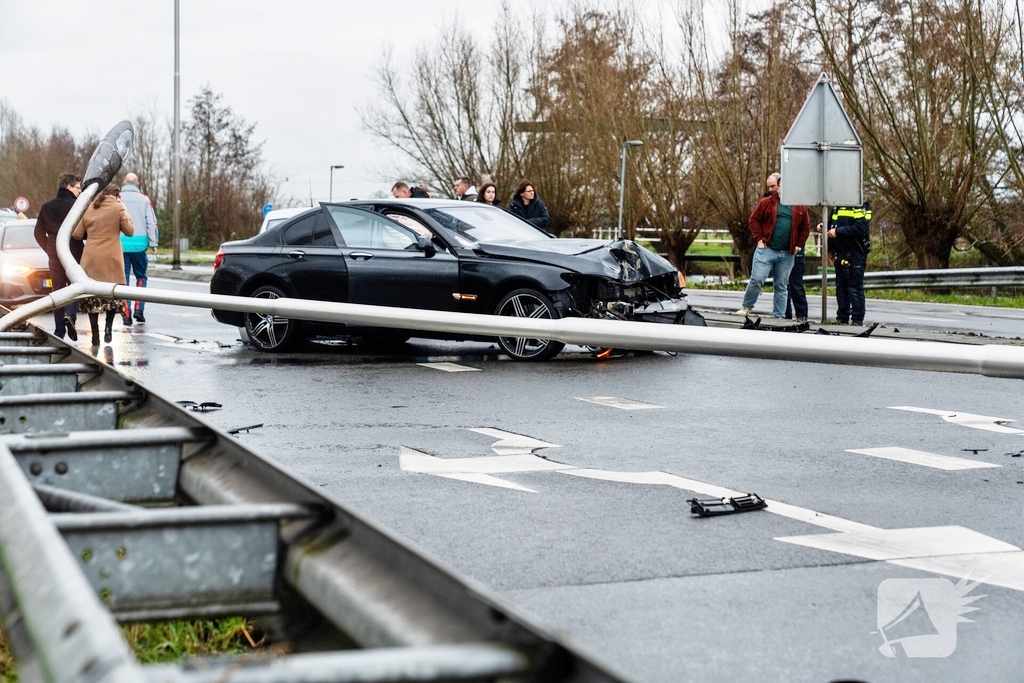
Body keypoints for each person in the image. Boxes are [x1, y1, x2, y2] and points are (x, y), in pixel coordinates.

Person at [735, 173, 810, 318]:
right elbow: (754, 220)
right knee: (757, 279)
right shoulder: (767, 202)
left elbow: (805, 228)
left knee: (781, 285)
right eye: (781, 187)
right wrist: (759, 239)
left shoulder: (800, 207)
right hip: (767, 249)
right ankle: (747, 306)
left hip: (788, 253)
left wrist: (799, 244)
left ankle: (779, 316)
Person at [72, 184, 134, 346]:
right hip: (111, 258)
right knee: (111, 296)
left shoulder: (90, 208)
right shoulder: (118, 207)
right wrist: (125, 213)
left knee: (93, 297)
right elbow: (130, 231)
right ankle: (108, 327)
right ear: (116, 195)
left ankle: (94, 332)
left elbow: (77, 234)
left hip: (91, 258)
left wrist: (93, 234)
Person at [34, 173, 84, 341]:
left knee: (58, 290)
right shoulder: (78, 206)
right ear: (68, 186)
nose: (80, 191)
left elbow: (38, 232)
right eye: (78, 187)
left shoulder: (47, 206)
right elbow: (84, 232)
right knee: (77, 286)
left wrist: (49, 248)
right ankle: (70, 315)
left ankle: (59, 330)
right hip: (75, 253)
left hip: (55, 255)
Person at [822, 202, 871, 325]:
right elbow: (834, 225)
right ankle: (842, 317)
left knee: (854, 287)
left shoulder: (857, 206)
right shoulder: (836, 207)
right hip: (841, 252)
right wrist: (825, 226)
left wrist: (838, 231)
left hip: (855, 253)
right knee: (841, 287)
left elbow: (861, 227)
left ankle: (857, 319)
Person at [119, 173, 158, 325]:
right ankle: (139, 309)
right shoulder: (144, 199)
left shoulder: (117, 198)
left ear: (124, 182)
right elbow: (151, 222)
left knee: (124, 280)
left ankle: (126, 314)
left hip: (121, 244)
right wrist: (153, 243)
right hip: (140, 245)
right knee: (141, 277)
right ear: (137, 183)